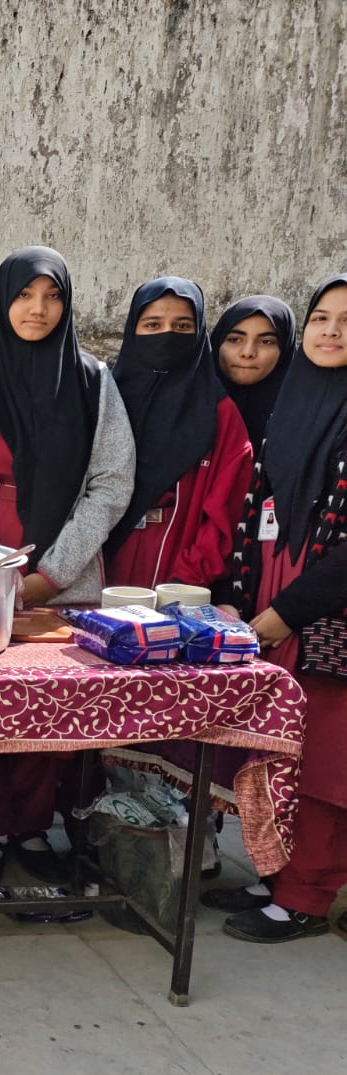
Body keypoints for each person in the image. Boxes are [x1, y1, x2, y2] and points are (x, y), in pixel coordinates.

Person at [0, 247, 135, 888]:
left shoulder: (93, 381)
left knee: (49, 712)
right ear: (2, 301)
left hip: (65, 579)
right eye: (24, 295)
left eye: (52, 297)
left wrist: (49, 575)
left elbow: (111, 482)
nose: (38, 309)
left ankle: (32, 827)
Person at [205, 273, 347, 942]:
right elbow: (255, 510)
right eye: (321, 318)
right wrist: (240, 600)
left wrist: (284, 612)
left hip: (326, 618)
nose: (330, 331)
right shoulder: (294, 405)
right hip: (276, 602)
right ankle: (279, 874)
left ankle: (307, 897)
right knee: (279, 751)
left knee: (324, 763)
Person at [104, 277, 253, 590]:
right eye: (153, 325)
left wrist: (186, 579)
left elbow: (225, 509)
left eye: (183, 326)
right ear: (133, 329)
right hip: (102, 558)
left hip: (179, 566)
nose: (167, 335)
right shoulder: (104, 400)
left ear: (199, 333)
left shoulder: (220, 413)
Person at [212, 295, 297, 449]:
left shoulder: (302, 418)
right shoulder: (189, 404)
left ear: (284, 350)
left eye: (266, 341)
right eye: (234, 339)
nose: (248, 353)